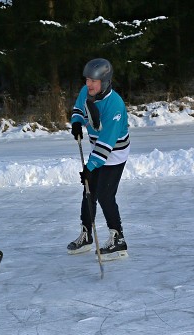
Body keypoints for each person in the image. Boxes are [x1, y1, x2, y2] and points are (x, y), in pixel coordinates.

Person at [67, 58, 129, 260]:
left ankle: (118, 239)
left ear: (105, 80)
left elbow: (106, 144)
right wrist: (76, 123)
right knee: (89, 189)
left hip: (114, 152)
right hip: (98, 149)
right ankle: (86, 234)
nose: (88, 84)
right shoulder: (87, 92)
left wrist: (90, 167)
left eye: (93, 81)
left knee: (104, 194)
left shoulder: (115, 105)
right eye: (87, 79)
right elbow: (78, 109)